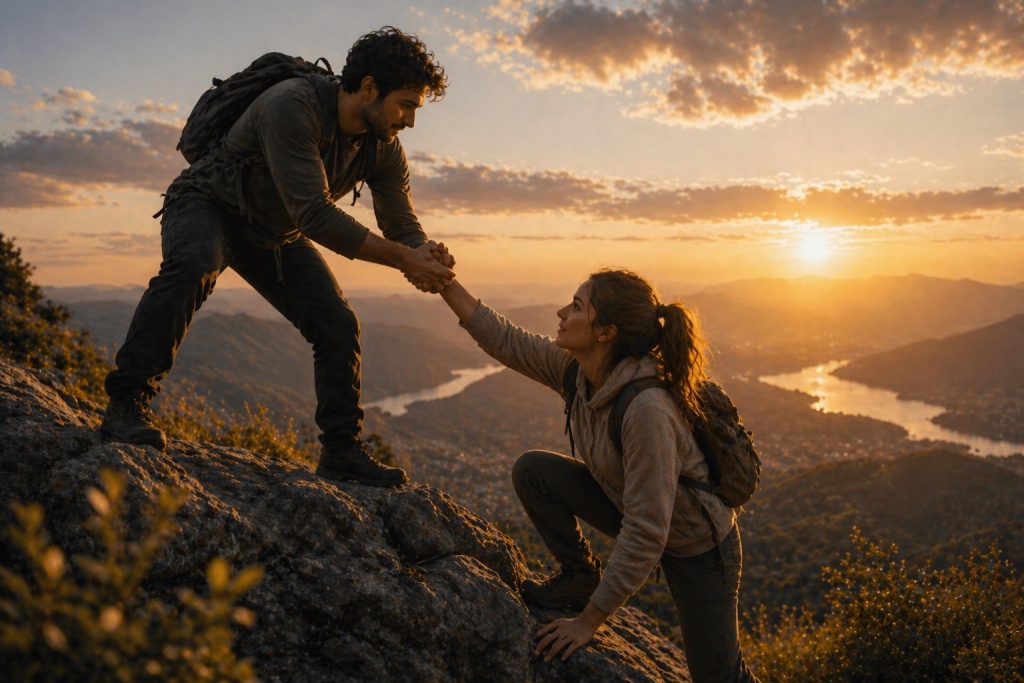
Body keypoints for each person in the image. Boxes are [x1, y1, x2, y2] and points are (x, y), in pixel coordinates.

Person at [100, 27, 454, 488]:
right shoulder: (293, 105)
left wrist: (424, 253)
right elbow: (315, 216)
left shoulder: (382, 146)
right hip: (211, 202)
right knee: (194, 264)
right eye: (406, 104)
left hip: (274, 232)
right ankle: (127, 404)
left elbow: (401, 223)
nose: (410, 121)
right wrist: (406, 261)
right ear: (369, 88)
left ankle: (342, 451)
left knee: (337, 322)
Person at [439, 270, 758, 682]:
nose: (561, 312)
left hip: (698, 547)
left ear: (606, 332)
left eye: (576, 306)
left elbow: (647, 531)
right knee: (534, 471)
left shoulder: (647, 412)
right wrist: (444, 283)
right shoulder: (578, 372)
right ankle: (579, 577)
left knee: (720, 676)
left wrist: (587, 623)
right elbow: (507, 340)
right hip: (629, 506)